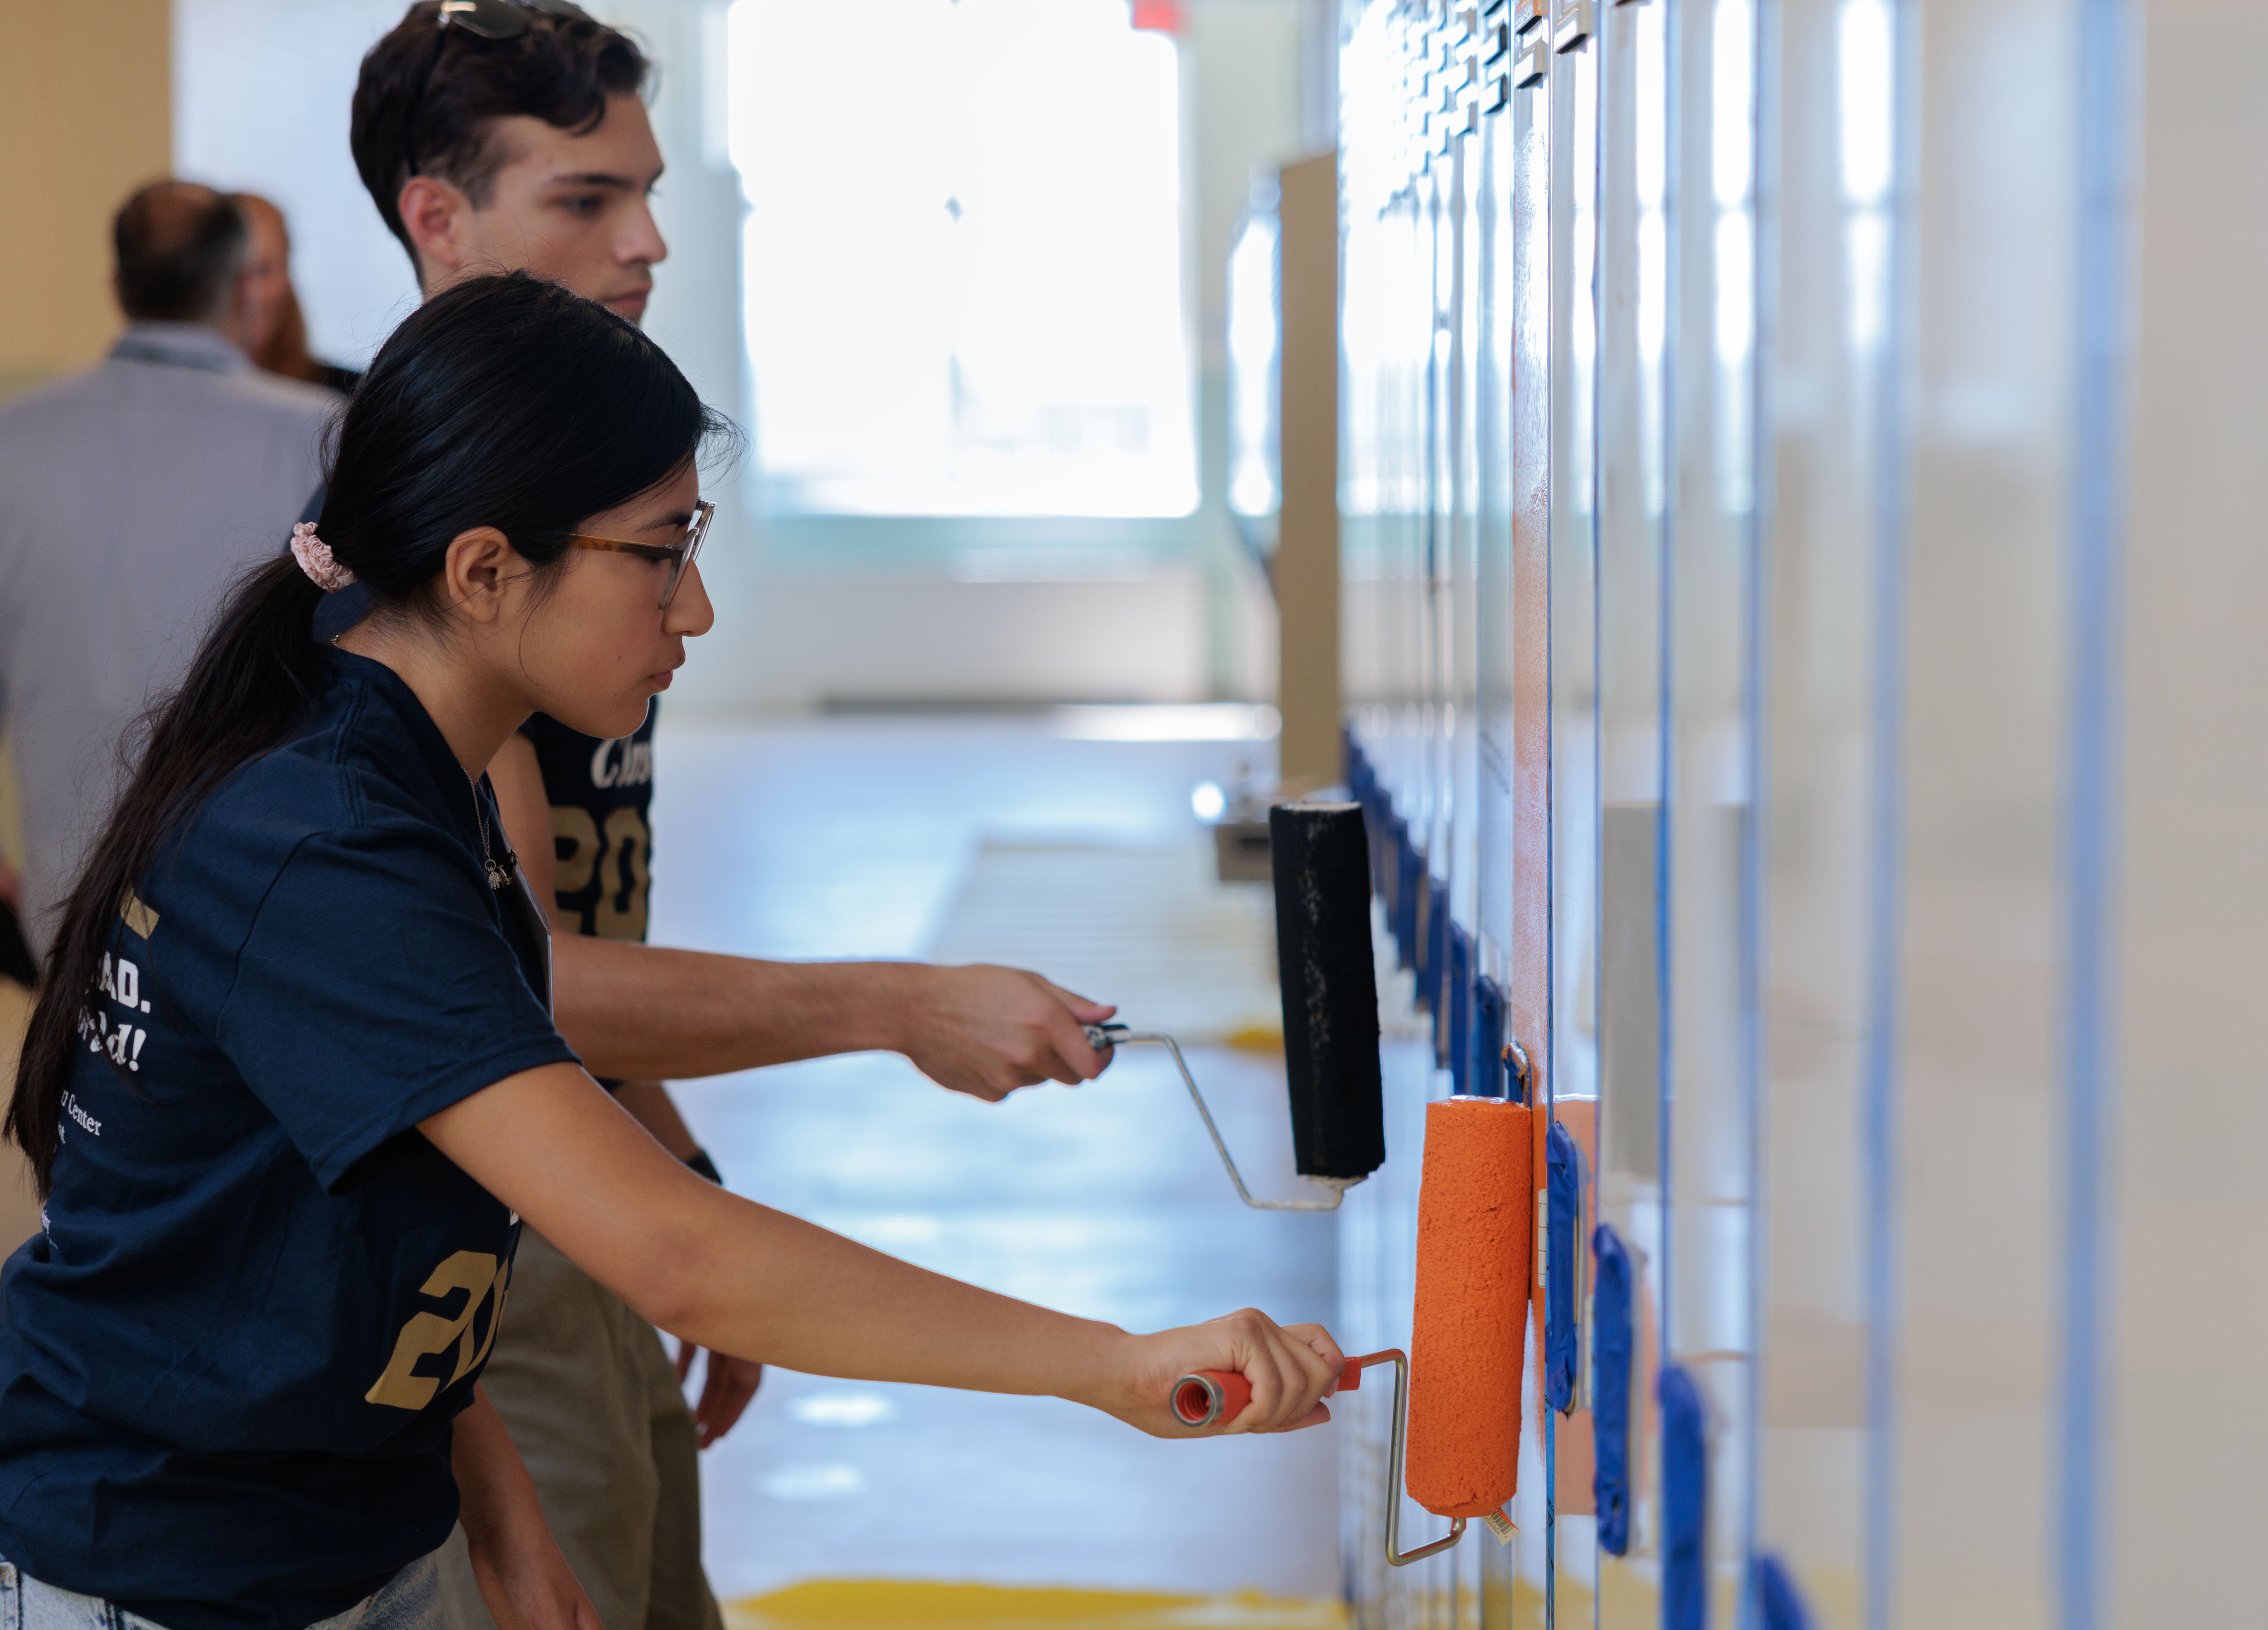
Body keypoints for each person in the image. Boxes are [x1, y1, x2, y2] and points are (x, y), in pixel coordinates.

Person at [0, 271, 1343, 1630]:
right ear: (482, 570)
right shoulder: (329, 846)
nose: (691, 609)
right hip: (167, 1568)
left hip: (336, 1531)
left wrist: (499, 1512)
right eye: (660, 551)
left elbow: (352, 1206)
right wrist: (1110, 1366)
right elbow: (675, 1256)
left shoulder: (414, 771)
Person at [341, 7, 1133, 1626]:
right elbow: (517, 979)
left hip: (591, 1183)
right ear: (439, 216)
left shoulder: (538, 510)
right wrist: (896, 1004)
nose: (648, 239)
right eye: (585, 199)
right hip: (503, 1213)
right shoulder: (409, 577)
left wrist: (675, 1158)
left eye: (645, 191)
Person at [0, 181, 340, 957]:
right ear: (236, 284)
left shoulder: (12, 441)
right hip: (269, 913)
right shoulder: (321, 440)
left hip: (65, 913)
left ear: (118, 288)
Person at [233, 192, 366, 394]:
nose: (247, 294)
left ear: (286, 276)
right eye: (230, 275)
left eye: (262, 271)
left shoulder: (353, 400)